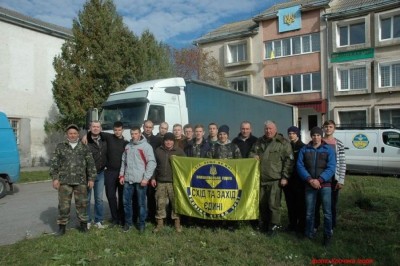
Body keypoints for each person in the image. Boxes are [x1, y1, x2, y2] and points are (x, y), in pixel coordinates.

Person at [50, 124, 97, 236]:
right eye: (70, 133)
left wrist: (91, 179)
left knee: (82, 204)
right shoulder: (61, 147)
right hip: (64, 182)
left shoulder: (84, 147)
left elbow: (91, 164)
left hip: (80, 181)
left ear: (78, 134)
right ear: (67, 134)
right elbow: (54, 164)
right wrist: (55, 178)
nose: (72, 135)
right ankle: (62, 228)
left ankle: (83, 226)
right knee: (63, 206)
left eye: (75, 133)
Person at [249, 120, 294, 236]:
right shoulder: (259, 142)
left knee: (273, 204)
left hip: (275, 179)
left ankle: (274, 226)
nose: (268, 131)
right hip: (261, 178)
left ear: (275, 129)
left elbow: (289, 161)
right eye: (266, 129)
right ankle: (264, 224)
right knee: (262, 203)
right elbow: (251, 153)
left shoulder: (283, 143)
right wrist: (254, 156)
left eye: (270, 129)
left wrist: (285, 177)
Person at [297, 126, 336, 246]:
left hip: (325, 185)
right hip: (310, 184)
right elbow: (300, 166)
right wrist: (310, 180)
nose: (316, 137)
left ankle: (327, 235)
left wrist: (319, 180)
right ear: (311, 136)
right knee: (309, 212)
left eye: (318, 135)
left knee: (327, 212)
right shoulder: (305, 149)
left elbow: (331, 167)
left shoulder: (328, 149)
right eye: (314, 135)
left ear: (321, 136)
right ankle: (309, 234)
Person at [119, 126, 156, 232]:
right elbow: (123, 162)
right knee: (126, 203)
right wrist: (122, 175)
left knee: (141, 204)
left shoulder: (146, 146)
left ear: (140, 133)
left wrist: (146, 178)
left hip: (141, 181)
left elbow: (152, 163)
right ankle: (128, 223)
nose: (134, 136)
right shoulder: (128, 146)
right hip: (128, 179)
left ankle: (142, 224)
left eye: (136, 133)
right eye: (132, 134)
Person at [314, 120, 346, 232]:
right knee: (316, 204)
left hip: (333, 179)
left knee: (331, 205)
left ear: (334, 129)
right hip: (318, 178)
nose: (328, 129)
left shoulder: (339, 144)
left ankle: (331, 226)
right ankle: (315, 225)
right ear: (323, 128)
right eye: (326, 127)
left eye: (330, 127)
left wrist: (341, 180)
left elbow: (342, 162)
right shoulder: (318, 141)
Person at [151, 132, 186, 233]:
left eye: (170, 140)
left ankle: (177, 223)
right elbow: (154, 165)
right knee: (160, 203)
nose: (168, 142)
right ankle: (160, 223)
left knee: (175, 203)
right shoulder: (158, 151)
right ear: (164, 141)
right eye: (166, 140)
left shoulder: (179, 151)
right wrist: (153, 178)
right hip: (160, 181)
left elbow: (185, 165)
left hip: (174, 182)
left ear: (173, 141)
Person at [102, 121, 129, 227]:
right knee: (111, 195)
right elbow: (96, 132)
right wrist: (86, 135)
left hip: (122, 173)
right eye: (115, 130)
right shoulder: (109, 137)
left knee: (122, 196)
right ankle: (114, 218)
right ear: (113, 130)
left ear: (122, 130)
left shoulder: (126, 143)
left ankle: (121, 217)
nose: (117, 132)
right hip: (110, 172)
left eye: (119, 130)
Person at [283, 126, 306, 235]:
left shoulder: (303, 147)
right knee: (290, 203)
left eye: (293, 133)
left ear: (297, 134)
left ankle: (301, 226)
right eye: (290, 133)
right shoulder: (286, 146)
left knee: (300, 204)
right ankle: (291, 224)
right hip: (288, 180)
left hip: (299, 180)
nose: (291, 135)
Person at [86, 121, 107, 229]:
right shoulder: (85, 141)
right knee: (87, 198)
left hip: (101, 173)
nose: (95, 128)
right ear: (90, 128)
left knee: (99, 199)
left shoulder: (104, 139)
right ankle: (87, 220)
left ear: (101, 128)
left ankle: (98, 220)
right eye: (93, 126)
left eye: (97, 127)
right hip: (88, 175)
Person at [142, 119, 162, 223]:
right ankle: (140, 216)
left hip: (152, 171)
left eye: (150, 127)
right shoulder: (138, 137)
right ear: (143, 127)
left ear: (153, 128)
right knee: (140, 196)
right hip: (140, 171)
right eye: (146, 127)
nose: (148, 129)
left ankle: (151, 216)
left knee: (151, 196)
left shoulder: (157, 140)